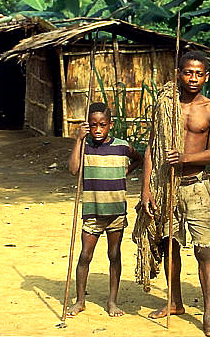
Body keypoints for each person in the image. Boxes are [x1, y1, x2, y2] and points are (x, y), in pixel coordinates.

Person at [141, 51, 210, 337]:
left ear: (206, 77)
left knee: (203, 250)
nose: (193, 78)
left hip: (196, 187)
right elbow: (152, 147)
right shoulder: (166, 106)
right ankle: (174, 302)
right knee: (170, 245)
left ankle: (209, 316)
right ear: (178, 73)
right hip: (167, 187)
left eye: (199, 73)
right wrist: (146, 190)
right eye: (188, 72)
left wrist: (185, 158)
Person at [67, 102, 143, 317]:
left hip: (116, 212)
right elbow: (73, 170)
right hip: (93, 212)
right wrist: (78, 140)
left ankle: (112, 301)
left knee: (114, 255)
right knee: (85, 256)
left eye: (102, 125)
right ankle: (80, 300)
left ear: (110, 125)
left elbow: (139, 158)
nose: (97, 130)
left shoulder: (122, 147)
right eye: (93, 125)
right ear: (88, 126)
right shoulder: (85, 147)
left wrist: (124, 172)